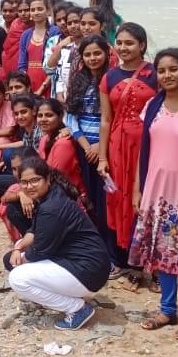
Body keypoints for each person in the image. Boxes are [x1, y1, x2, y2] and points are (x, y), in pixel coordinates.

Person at [129, 48, 178, 339]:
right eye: (162, 70)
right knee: (163, 250)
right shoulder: (151, 105)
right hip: (156, 188)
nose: (168, 75)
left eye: (174, 69)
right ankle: (167, 308)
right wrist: (138, 188)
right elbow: (144, 152)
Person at [3, 156, 111, 331]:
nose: (29, 186)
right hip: (86, 266)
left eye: (34, 180)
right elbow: (34, 231)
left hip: (88, 271)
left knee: (18, 278)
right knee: (12, 261)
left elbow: (38, 252)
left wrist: (20, 257)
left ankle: (77, 309)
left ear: (47, 179)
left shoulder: (52, 207)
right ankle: (65, 297)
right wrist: (17, 248)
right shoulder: (51, 195)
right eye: (24, 182)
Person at [97, 22, 158, 282]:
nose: (123, 48)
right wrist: (102, 157)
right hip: (117, 147)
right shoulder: (109, 77)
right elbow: (105, 120)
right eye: (119, 43)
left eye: (129, 43)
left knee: (148, 200)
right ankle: (125, 261)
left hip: (148, 145)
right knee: (118, 200)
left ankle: (153, 265)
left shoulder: (155, 74)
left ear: (142, 45)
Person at [63, 35, 112, 255]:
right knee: (89, 198)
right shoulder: (78, 80)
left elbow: (113, 118)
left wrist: (99, 147)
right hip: (84, 148)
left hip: (106, 149)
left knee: (107, 200)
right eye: (88, 54)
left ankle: (112, 249)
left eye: (97, 53)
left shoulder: (112, 79)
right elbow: (70, 117)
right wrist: (85, 145)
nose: (93, 58)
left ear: (106, 54)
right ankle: (96, 246)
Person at [18, 0, 61, 97]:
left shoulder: (55, 32)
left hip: (49, 82)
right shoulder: (26, 34)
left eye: (40, 9)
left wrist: (42, 88)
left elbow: (56, 64)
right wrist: (26, 87)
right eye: (33, 10)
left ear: (48, 11)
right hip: (30, 84)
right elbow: (22, 65)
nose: (36, 12)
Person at [36, 98, 82, 191]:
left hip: (63, 193)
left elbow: (56, 179)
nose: (43, 119)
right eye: (40, 115)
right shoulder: (44, 139)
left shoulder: (63, 143)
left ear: (60, 116)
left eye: (49, 115)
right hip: (46, 186)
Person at [48, 6, 83, 100]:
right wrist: (59, 92)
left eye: (76, 22)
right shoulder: (67, 49)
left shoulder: (91, 48)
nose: (73, 26)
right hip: (66, 100)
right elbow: (57, 71)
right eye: (69, 23)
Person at [0, 0, 30, 79]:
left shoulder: (35, 24)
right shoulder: (15, 23)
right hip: (10, 69)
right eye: (12, 2)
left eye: (17, 2)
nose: (14, 5)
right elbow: (8, 50)